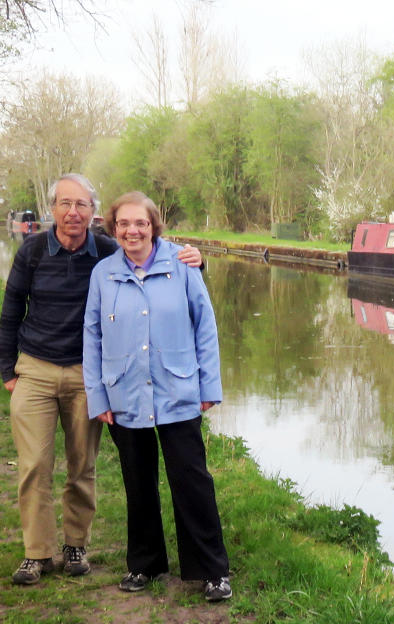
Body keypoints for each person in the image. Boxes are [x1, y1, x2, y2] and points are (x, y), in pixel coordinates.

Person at [0, 175, 202, 585]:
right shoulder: (33, 250)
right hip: (35, 368)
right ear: (52, 209)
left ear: (94, 213)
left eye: (81, 205)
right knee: (34, 464)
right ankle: (37, 553)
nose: (72, 212)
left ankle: (76, 545)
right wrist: (8, 371)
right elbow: (11, 310)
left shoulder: (108, 251)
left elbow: (154, 255)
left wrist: (196, 260)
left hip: (87, 373)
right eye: (64, 204)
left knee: (82, 464)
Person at [83, 191, 232, 602]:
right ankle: (145, 564)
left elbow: (206, 326)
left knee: (192, 481)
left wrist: (209, 386)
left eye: (141, 223)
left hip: (178, 390)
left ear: (154, 226)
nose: (133, 231)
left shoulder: (182, 266)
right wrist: (99, 397)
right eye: (124, 224)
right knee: (138, 482)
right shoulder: (103, 274)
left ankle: (212, 571)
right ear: (114, 229)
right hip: (125, 394)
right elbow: (92, 336)